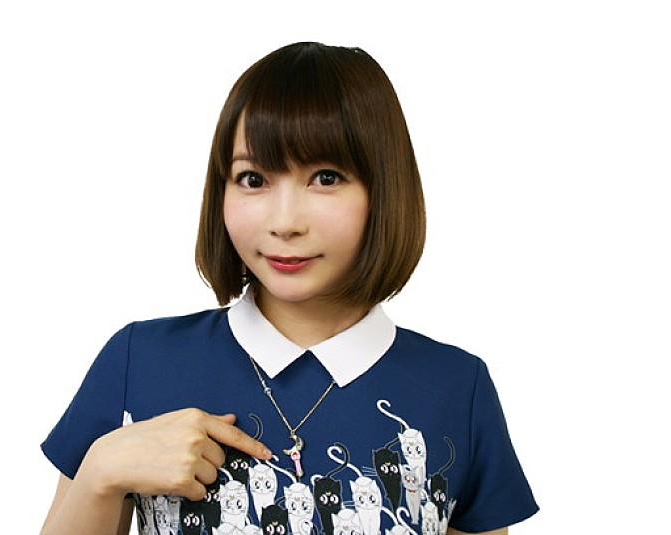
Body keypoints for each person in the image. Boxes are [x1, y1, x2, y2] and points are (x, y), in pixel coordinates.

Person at [40, 42, 538, 535]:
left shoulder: (457, 388)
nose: (284, 222)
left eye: (326, 177)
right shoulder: (139, 361)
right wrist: (100, 473)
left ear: (384, 189)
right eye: (253, 179)